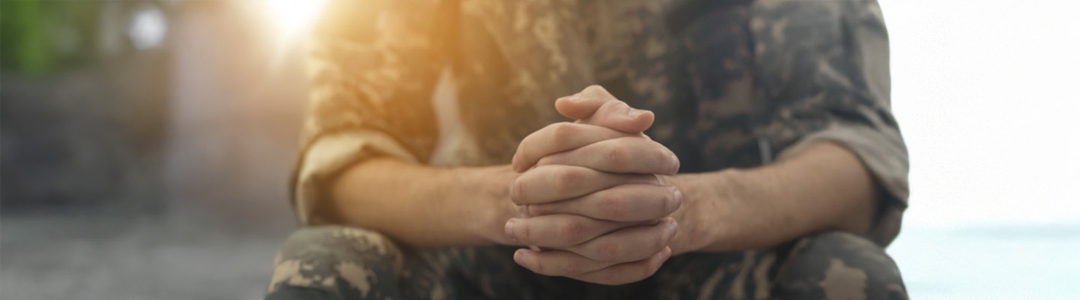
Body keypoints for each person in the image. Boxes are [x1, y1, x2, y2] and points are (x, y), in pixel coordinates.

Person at [265, 0, 909, 299]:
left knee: (849, 274)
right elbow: (343, 161)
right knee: (329, 262)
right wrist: (515, 202)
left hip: (715, 267)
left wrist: (685, 211)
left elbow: (854, 157)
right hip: (487, 269)